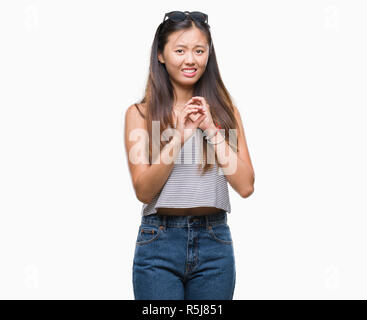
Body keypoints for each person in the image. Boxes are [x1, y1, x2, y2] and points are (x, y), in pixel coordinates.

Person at [124, 11, 255, 300]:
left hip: (214, 244)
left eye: (199, 50)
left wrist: (210, 128)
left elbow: (246, 186)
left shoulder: (226, 113)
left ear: (209, 54)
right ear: (161, 54)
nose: (190, 59)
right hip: (158, 244)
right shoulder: (141, 115)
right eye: (180, 50)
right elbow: (144, 190)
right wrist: (179, 137)